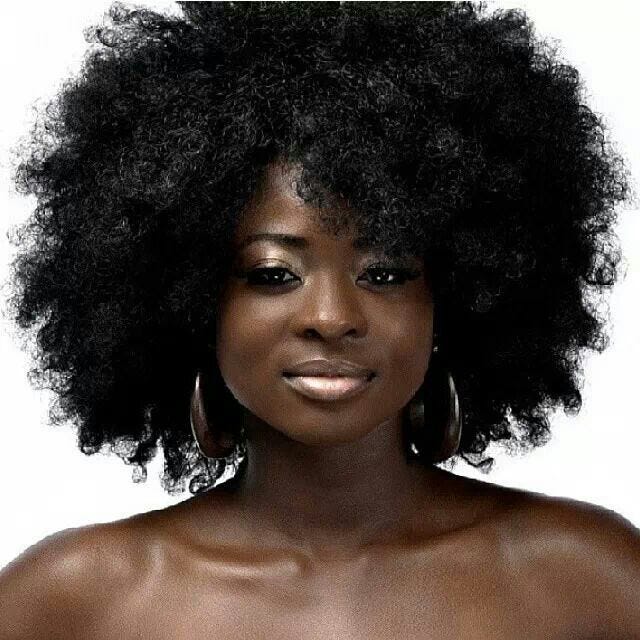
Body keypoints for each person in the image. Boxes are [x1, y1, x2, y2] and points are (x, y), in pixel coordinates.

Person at [1, 2, 639, 638]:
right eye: (273, 274)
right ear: (193, 304)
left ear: (457, 300)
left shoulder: (589, 581)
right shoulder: (72, 603)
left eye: (384, 274)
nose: (332, 319)